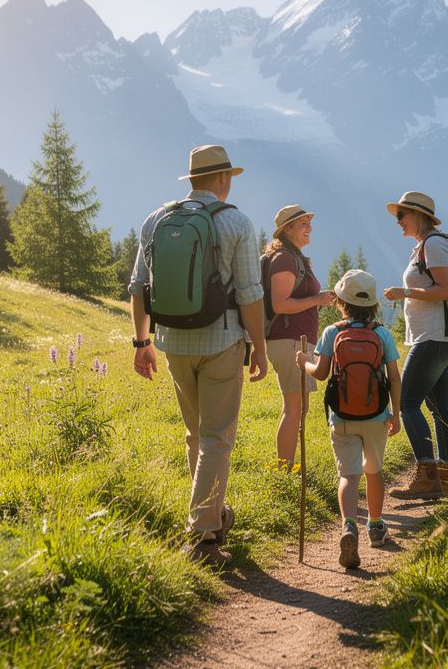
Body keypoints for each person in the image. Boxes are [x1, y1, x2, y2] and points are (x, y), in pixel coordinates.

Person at [129, 145, 268, 568]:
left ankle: (212, 517)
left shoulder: (156, 219)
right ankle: (203, 537)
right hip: (221, 341)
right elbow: (250, 294)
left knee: (197, 435)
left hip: (172, 341)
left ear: (190, 180)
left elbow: (138, 287)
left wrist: (141, 343)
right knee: (217, 437)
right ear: (223, 178)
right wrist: (259, 347)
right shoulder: (237, 222)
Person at [296, 269, 401, 569]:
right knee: (374, 470)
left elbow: (321, 373)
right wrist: (395, 414)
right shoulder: (382, 334)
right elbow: (394, 377)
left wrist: (305, 362)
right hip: (377, 415)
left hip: (341, 416)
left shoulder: (332, 332)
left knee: (348, 475)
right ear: (374, 304)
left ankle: (349, 526)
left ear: (341, 302)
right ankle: (376, 528)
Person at [382, 191, 448, 499]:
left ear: (418, 215)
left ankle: (426, 477)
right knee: (440, 408)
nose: (398, 221)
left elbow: (447, 289)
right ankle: (445, 479)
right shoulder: (427, 246)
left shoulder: (434, 245)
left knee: (406, 403)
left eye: (401, 215)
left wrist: (404, 292)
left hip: (434, 337)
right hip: (443, 337)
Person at [265, 204, 336, 470]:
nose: (310, 228)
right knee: (294, 407)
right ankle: (285, 468)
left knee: (299, 406)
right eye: (303, 224)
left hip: (295, 340)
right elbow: (280, 304)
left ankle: (288, 465)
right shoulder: (284, 258)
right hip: (289, 340)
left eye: (309, 223)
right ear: (288, 229)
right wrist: (317, 299)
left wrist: (317, 301)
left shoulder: (292, 257)